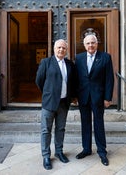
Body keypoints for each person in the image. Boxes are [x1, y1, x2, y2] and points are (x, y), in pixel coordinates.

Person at [35, 39, 76, 170]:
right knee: (46, 130)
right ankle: (46, 156)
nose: (61, 50)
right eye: (59, 47)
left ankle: (59, 152)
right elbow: (39, 80)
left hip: (64, 103)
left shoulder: (70, 64)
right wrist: (48, 93)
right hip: (49, 103)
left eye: (64, 48)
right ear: (54, 49)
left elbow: (73, 82)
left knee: (60, 128)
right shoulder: (46, 62)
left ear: (66, 50)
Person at [75, 34, 114, 166]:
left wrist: (107, 98)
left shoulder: (105, 57)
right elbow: (76, 79)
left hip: (98, 97)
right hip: (83, 97)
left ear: (97, 44)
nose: (91, 45)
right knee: (85, 123)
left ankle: (102, 151)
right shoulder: (79, 58)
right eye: (88, 43)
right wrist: (75, 96)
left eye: (93, 43)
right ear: (84, 45)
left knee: (99, 124)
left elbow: (109, 79)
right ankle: (86, 149)